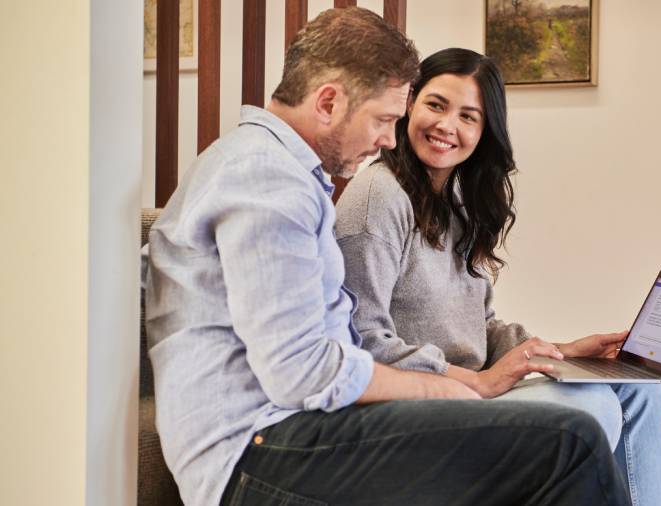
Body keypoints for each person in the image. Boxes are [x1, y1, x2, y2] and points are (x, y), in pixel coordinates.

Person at [145, 8, 629, 506]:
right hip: (258, 454)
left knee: (582, 423)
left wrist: (536, 361)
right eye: (383, 119)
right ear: (329, 101)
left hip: (298, 432)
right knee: (570, 441)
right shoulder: (265, 179)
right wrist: (445, 391)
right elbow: (300, 371)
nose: (388, 140)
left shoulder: (283, 175)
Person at [335, 47, 661, 505]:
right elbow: (363, 341)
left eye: (468, 116)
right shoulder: (378, 196)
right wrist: (476, 381)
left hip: (475, 389)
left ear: (484, 131)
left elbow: (480, 325)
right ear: (410, 104)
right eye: (436, 105)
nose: (447, 127)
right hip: (421, 406)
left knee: (636, 390)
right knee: (593, 409)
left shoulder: (453, 202)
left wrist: (560, 351)